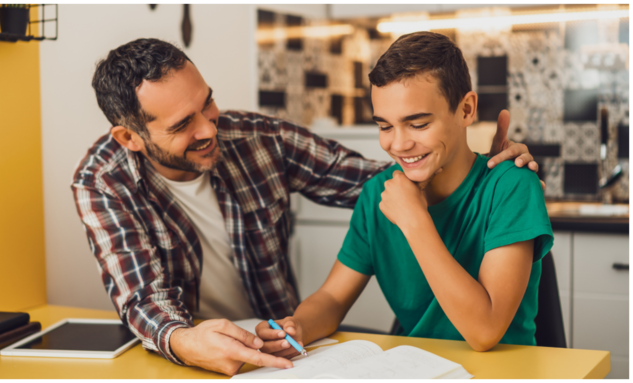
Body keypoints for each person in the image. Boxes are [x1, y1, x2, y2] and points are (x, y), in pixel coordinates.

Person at [72, 37, 541, 376]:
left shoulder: (262, 140)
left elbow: (392, 177)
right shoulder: (101, 182)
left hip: (283, 345)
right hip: (199, 353)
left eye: (207, 104)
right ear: (130, 137)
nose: (209, 129)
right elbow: (142, 298)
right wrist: (186, 340)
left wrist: (485, 163)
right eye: (181, 125)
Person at [256, 31, 554, 358]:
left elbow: (485, 332)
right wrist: (298, 326)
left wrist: (414, 219)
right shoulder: (377, 195)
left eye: (418, 124)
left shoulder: (511, 186)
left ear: (466, 109)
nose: (397, 145)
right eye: (385, 127)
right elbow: (333, 298)